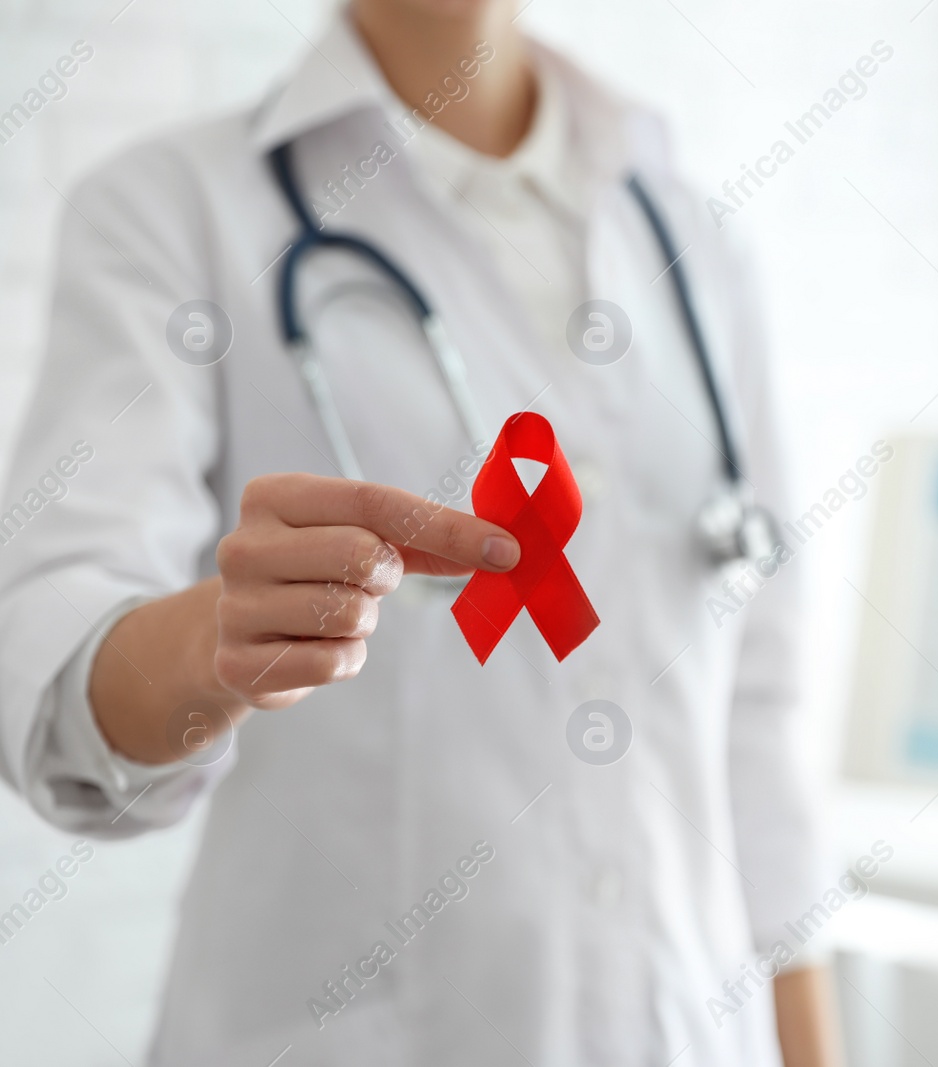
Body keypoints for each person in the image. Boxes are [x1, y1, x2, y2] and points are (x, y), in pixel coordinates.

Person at [0, 1, 839, 1063]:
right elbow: (52, 649)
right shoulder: (175, 209)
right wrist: (218, 636)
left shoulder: (692, 233)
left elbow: (762, 718)